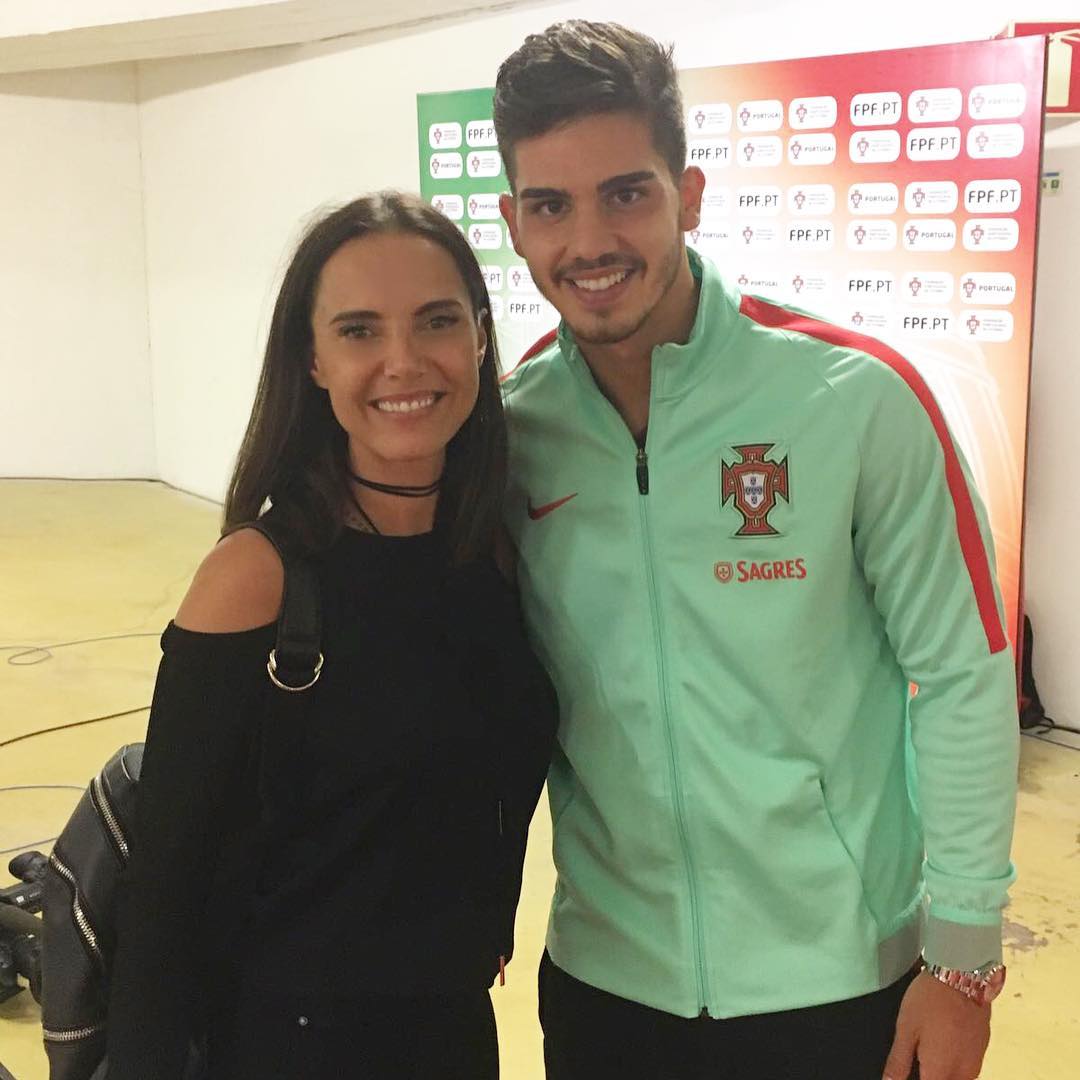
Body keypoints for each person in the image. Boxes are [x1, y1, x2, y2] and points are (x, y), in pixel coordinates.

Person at [494, 20, 1018, 1080]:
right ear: (512, 221)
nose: (589, 241)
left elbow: (964, 671)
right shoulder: (512, 432)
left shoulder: (853, 398)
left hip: (838, 982)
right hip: (606, 984)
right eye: (550, 205)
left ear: (688, 196)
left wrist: (962, 959)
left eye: (625, 194)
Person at [106, 191, 558, 1079]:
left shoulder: (496, 556)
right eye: (359, 331)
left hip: (451, 1029)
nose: (403, 361)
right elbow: (160, 903)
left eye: (436, 321)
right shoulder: (258, 578)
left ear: (479, 337)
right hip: (288, 1044)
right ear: (312, 359)